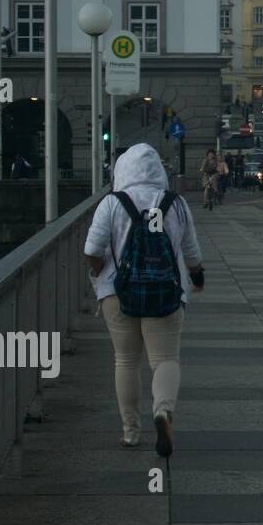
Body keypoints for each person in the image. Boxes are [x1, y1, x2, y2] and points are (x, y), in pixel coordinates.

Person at [83, 143, 204, 454]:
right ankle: (163, 412)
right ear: (158, 172)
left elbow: (92, 250)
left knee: (126, 361)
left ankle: (130, 432)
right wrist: (197, 277)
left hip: (117, 292)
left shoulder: (112, 203)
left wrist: (101, 275)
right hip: (165, 291)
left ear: (122, 171)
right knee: (164, 359)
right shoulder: (174, 203)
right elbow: (191, 252)